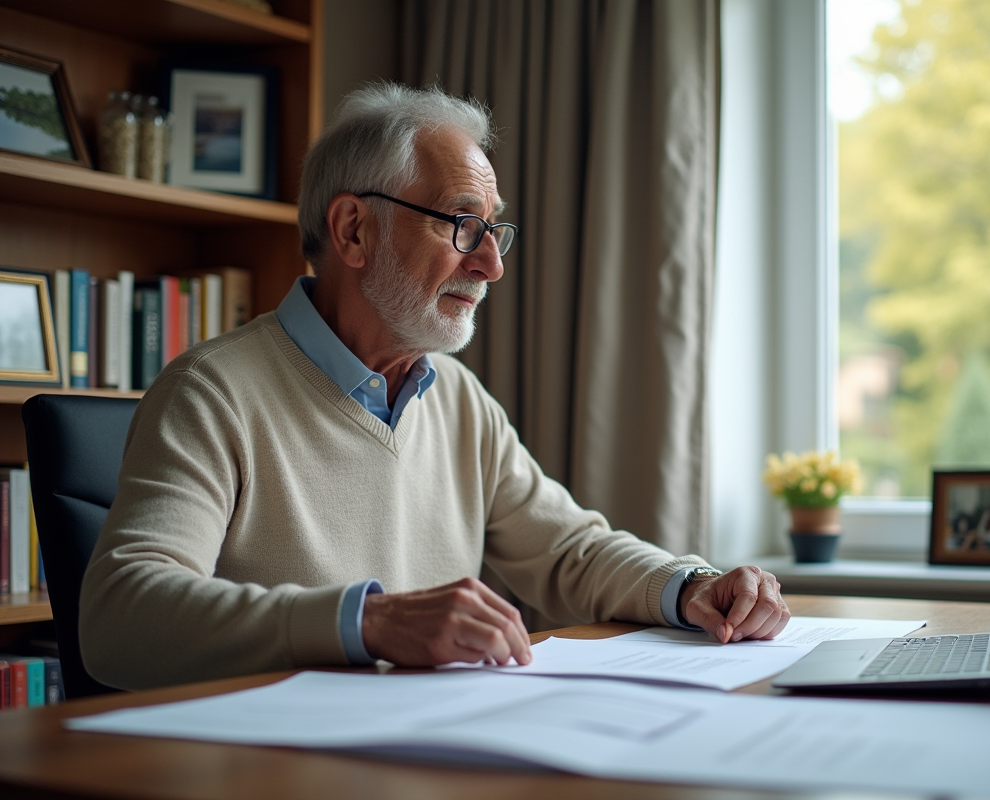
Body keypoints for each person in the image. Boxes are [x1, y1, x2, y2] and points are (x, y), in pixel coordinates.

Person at [78, 83, 789, 691]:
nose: (489, 265)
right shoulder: (210, 393)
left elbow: (569, 551)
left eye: (493, 231)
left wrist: (691, 585)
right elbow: (120, 618)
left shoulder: (454, 396)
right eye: (461, 224)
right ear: (354, 230)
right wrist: (368, 621)